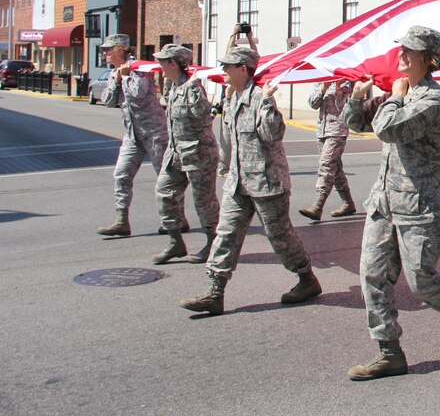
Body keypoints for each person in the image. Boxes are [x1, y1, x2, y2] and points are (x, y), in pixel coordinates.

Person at [340, 26, 440, 381]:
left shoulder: (432, 101)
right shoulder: (405, 92)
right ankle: (389, 351)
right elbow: (359, 122)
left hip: (419, 205)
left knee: (422, 282)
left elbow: (388, 128)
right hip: (385, 201)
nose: (402, 54)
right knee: (372, 274)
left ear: (429, 58)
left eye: (411, 50)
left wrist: (393, 94)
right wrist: (355, 98)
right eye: (402, 48)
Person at [180, 46, 321, 315]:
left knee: (281, 237)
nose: (224, 70)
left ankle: (306, 278)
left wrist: (268, 102)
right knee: (226, 234)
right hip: (238, 183)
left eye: (229, 66)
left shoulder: (259, 97)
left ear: (243, 69)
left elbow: (273, 133)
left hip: (267, 184)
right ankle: (215, 291)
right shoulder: (233, 98)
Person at [152, 44, 220, 264]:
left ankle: (213, 243)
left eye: (163, 61)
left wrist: (193, 91)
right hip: (176, 152)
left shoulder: (192, 88)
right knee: (164, 192)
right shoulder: (173, 86)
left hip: (199, 153)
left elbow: (204, 117)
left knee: (203, 201)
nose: (160, 65)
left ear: (173, 63)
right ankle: (175, 243)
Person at [96, 34, 169, 237]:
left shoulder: (139, 69)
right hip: (132, 134)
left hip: (154, 132)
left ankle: (173, 220)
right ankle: (121, 221)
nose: (105, 53)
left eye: (108, 49)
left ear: (120, 49)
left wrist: (127, 76)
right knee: (121, 175)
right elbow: (108, 100)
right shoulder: (115, 73)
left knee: (165, 178)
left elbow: (138, 93)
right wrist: (117, 79)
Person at [298, 80, 356, 221]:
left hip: (337, 130)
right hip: (322, 131)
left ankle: (317, 207)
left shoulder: (347, 82)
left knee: (326, 166)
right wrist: (323, 87)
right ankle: (348, 204)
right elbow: (313, 103)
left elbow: (343, 106)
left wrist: (337, 87)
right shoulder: (321, 81)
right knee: (335, 170)